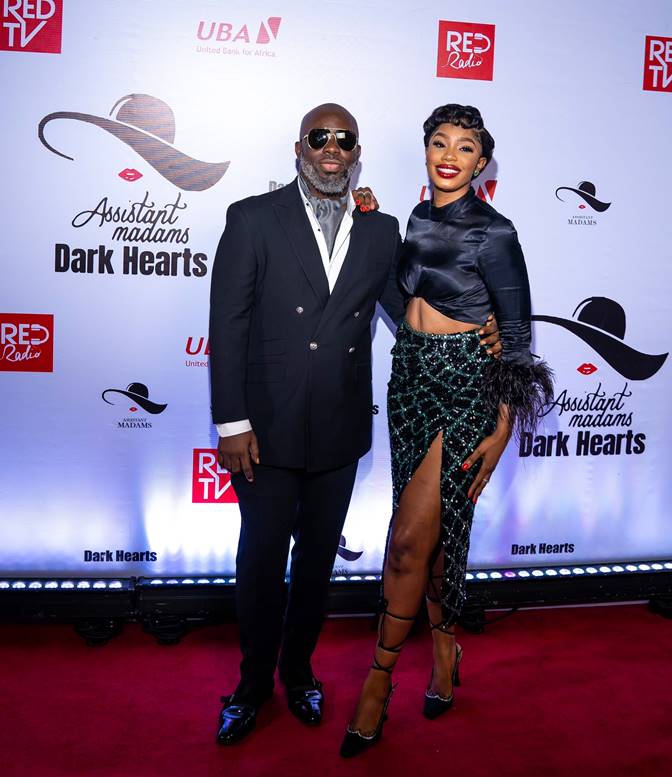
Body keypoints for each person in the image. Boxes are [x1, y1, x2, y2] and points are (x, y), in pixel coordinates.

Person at [209, 102, 503, 745]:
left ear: (357, 154)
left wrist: (481, 325)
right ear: (299, 148)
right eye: (320, 137)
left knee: (317, 563)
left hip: (339, 426)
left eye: (344, 139)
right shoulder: (252, 217)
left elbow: (410, 307)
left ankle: (298, 674)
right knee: (260, 560)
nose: (332, 148)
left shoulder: (380, 228)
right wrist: (231, 423)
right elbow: (227, 324)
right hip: (264, 428)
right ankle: (252, 685)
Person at [340, 104, 553, 758]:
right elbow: (398, 300)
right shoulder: (415, 218)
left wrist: (503, 425)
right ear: (427, 150)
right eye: (440, 142)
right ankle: (443, 650)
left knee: (406, 540)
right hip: (408, 376)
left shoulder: (496, 231)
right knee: (433, 536)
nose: (450, 155)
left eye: (465, 147)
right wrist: (375, 230)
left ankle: (378, 681)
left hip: (467, 385)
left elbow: (516, 335)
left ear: (482, 163)